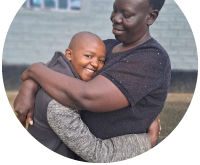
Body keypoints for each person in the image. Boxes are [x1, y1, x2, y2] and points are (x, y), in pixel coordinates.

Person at [14, 0, 168, 162]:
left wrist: (33, 70)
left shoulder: (151, 57)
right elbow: (56, 70)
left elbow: (86, 96)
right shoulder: (107, 46)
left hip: (115, 153)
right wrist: (30, 84)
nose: (115, 18)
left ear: (150, 17)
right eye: (114, 10)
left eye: (126, 14)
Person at [27, 31, 157, 162]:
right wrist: (148, 140)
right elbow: (97, 154)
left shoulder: (54, 68)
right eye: (88, 56)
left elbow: (42, 67)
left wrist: (29, 82)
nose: (95, 64)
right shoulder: (58, 105)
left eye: (101, 60)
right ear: (69, 54)